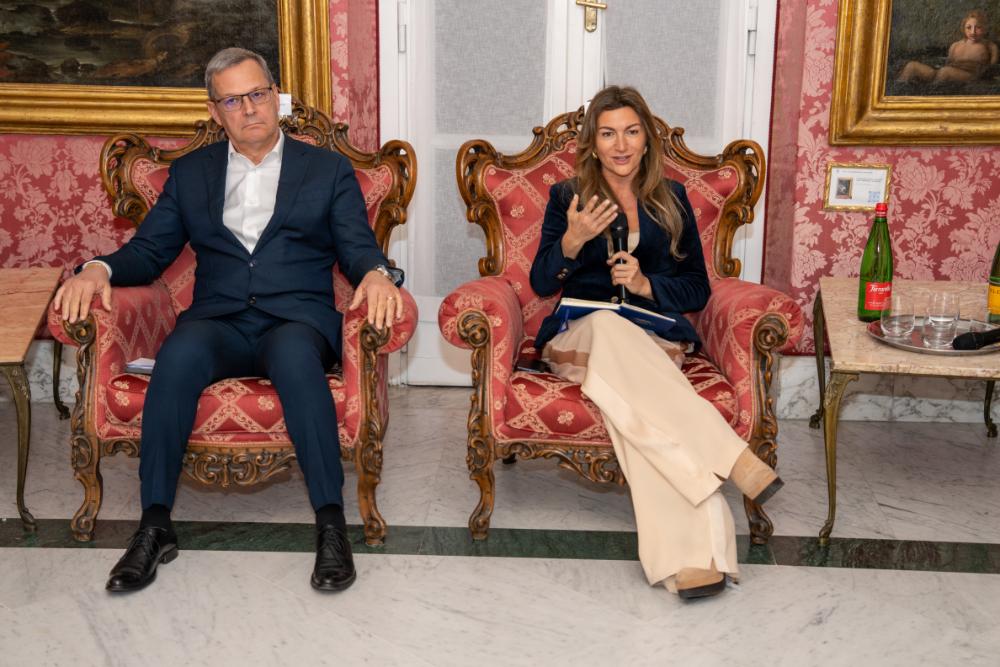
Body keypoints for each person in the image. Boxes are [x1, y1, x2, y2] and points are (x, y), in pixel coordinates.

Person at [53, 47, 404, 594]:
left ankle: (332, 525)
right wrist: (97, 268)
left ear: (276, 96)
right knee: (177, 356)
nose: (250, 108)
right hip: (219, 319)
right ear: (215, 112)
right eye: (234, 101)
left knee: (296, 360)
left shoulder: (326, 169)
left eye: (258, 94)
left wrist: (379, 274)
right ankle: (154, 527)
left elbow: (357, 248)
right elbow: (149, 251)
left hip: (296, 319)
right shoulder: (192, 173)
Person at [529, 85, 782, 600]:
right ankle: (732, 459)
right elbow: (539, 281)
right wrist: (573, 240)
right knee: (607, 327)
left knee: (636, 417)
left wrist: (647, 285)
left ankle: (692, 560)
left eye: (631, 132)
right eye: (608, 134)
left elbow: (697, 288)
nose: (620, 145)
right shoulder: (567, 197)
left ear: (647, 139)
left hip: (652, 339)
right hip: (582, 334)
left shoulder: (672, 198)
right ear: (592, 143)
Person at [897, 9, 999, 85]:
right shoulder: (955, 45)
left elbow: (992, 68)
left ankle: (929, 91)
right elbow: (948, 63)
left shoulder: (990, 46)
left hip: (970, 76)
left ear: (984, 28)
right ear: (963, 28)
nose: (973, 32)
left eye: (978, 27)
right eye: (969, 27)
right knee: (912, 66)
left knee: (945, 72)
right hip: (946, 72)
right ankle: (897, 92)